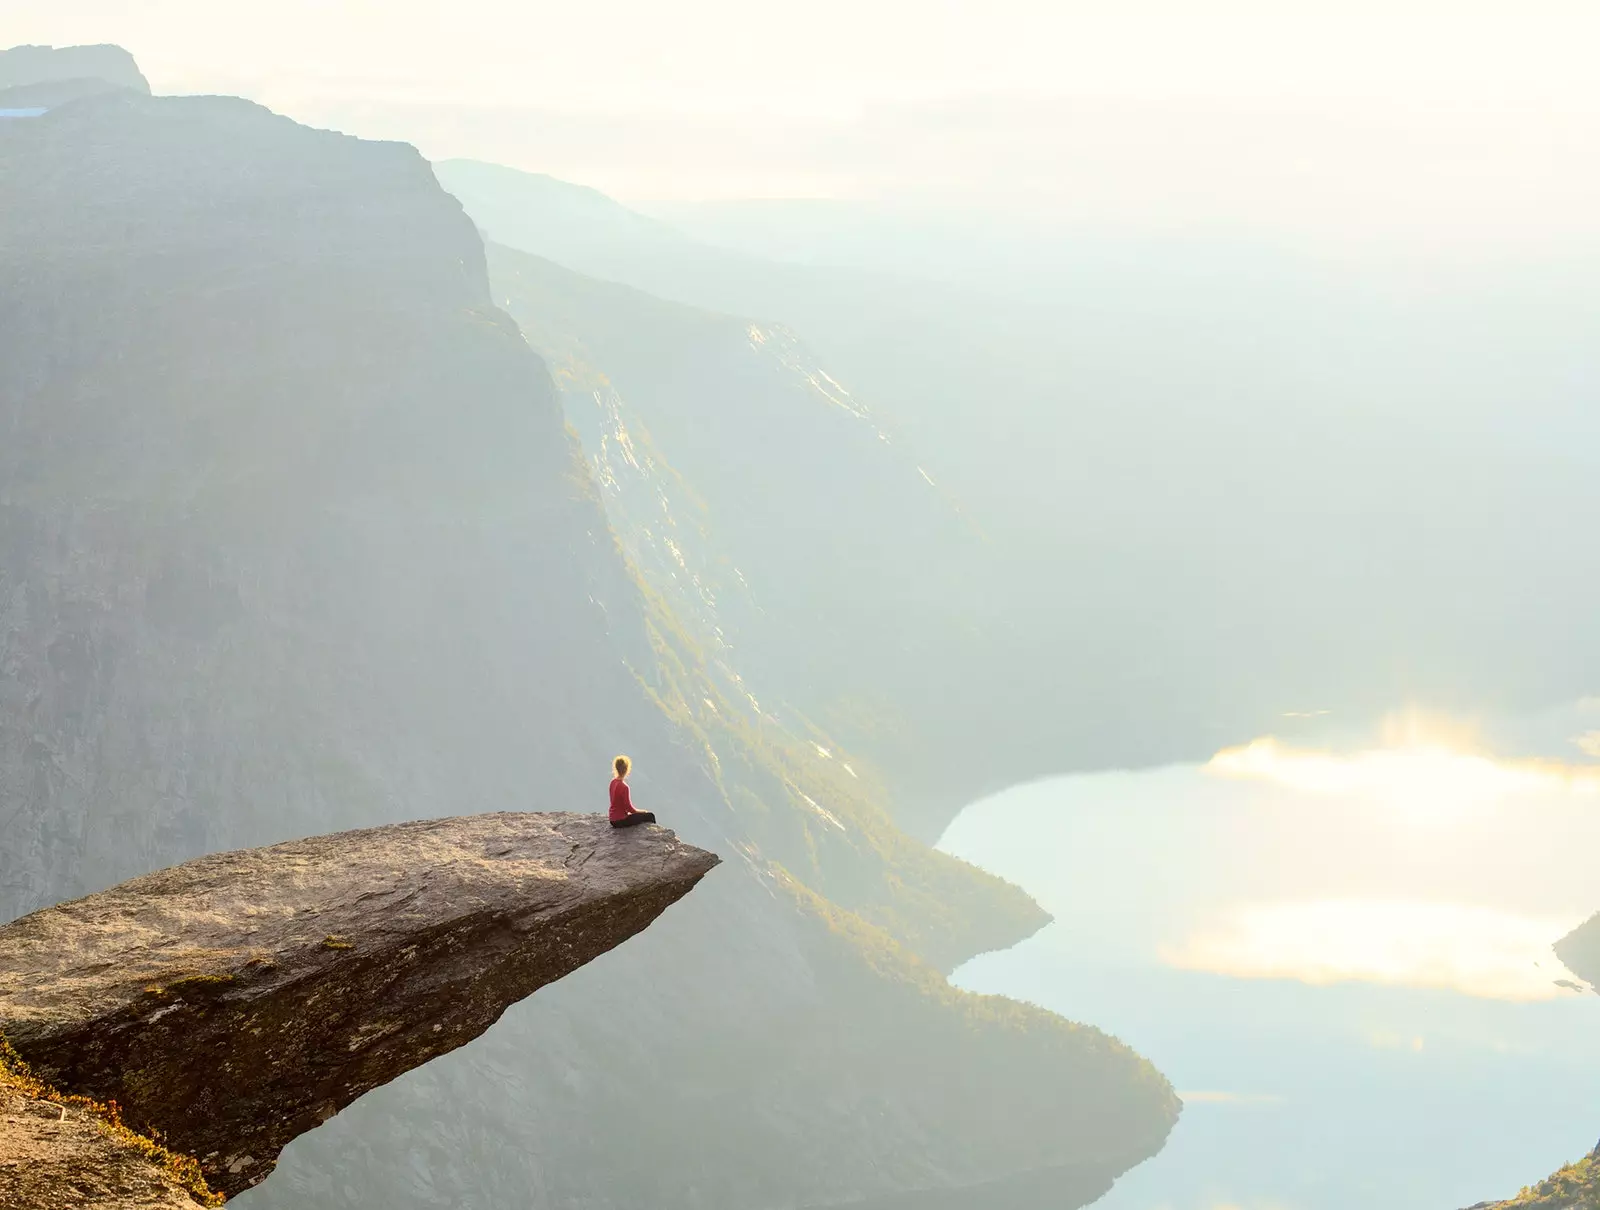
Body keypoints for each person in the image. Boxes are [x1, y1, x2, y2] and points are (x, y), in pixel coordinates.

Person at [609, 755, 656, 828]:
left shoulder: (613, 782)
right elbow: (630, 809)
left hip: (612, 820)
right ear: (627, 769)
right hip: (621, 821)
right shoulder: (624, 787)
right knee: (650, 816)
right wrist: (643, 812)